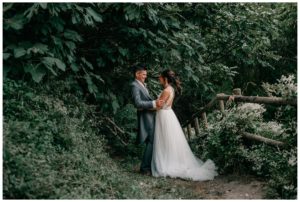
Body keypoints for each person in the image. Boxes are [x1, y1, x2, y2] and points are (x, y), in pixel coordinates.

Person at [151, 69, 218, 181]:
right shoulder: (171, 89)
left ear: (165, 78)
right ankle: (171, 159)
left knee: (165, 139)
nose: (159, 79)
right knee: (170, 140)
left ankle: (168, 162)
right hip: (168, 114)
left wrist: (147, 107)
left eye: (160, 77)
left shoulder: (166, 91)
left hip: (164, 115)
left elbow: (158, 106)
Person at [131, 65, 163, 175]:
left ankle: (147, 167)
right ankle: (144, 168)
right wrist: (153, 103)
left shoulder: (142, 85)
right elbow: (137, 103)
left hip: (149, 116)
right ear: (137, 74)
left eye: (146, 74)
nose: (145, 76)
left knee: (152, 141)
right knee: (151, 141)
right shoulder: (135, 86)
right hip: (145, 117)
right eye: (144, 74)